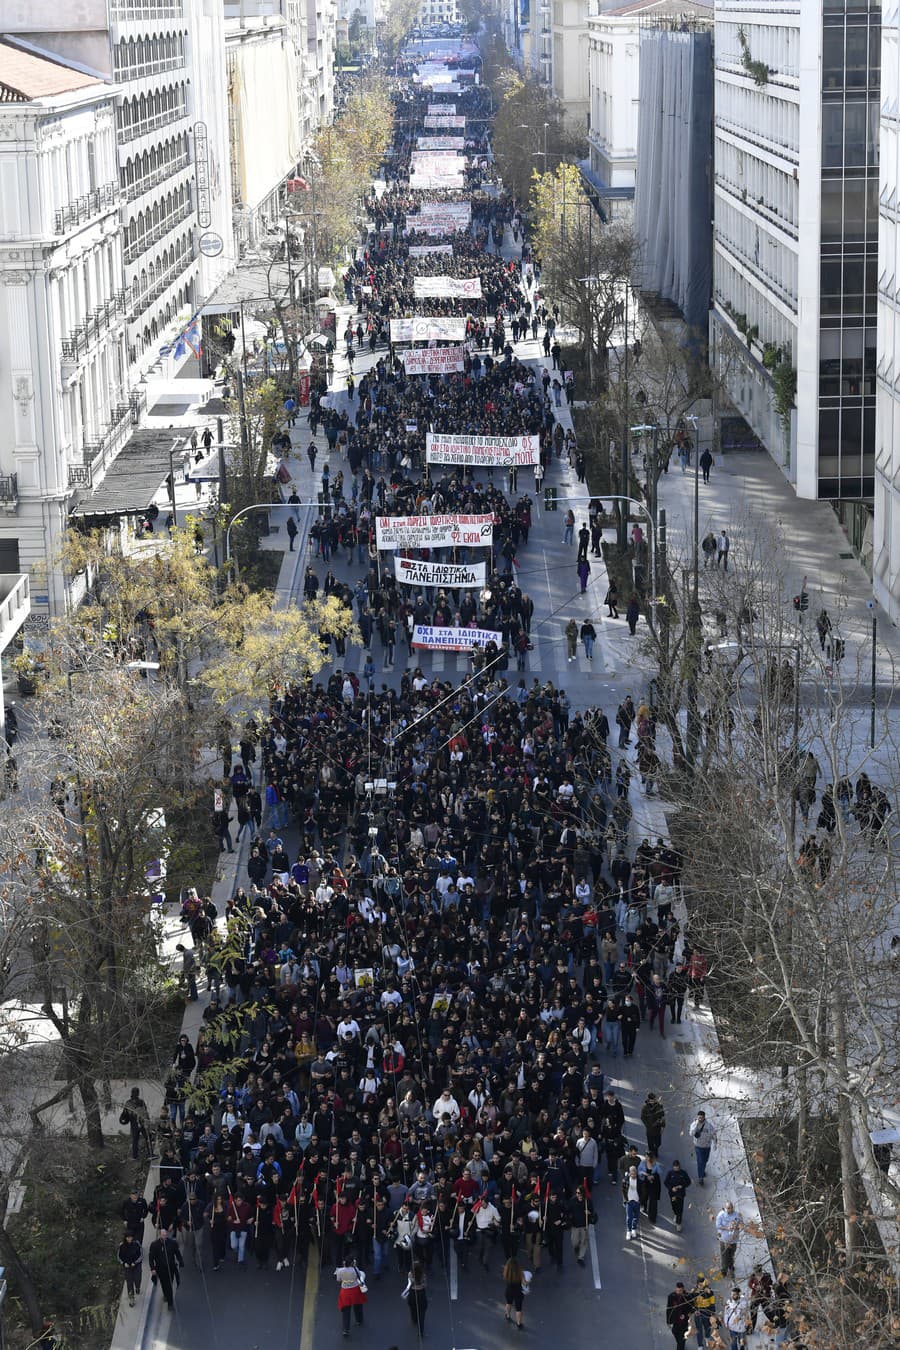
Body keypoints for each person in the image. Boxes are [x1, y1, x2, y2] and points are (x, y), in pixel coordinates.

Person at [148, 1226, 183, 1311]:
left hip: (171, 1267)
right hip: (160, 1268)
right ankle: (168, 1298)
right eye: (162, 1235)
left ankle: (169, 1300)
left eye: (165, 1235)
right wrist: (152, 1269)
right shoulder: (154, 1245)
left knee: (169, 1284)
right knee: (164, 1284)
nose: (164, 1236)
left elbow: (177, 1253)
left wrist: (181, 1261)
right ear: (160, 1235)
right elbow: (151, 1258)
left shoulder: (172, 1243)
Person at [334, 1256, 367, 1337]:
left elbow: (338, 1280)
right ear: (352, 1262)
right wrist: (355, 1266)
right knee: (358, 1305)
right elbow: (359, 1276)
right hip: (355, 1289)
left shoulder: (340, 1271)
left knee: (346, 1310)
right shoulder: (355, 1269)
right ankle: (359, 1320)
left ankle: (346, 1329)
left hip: (345, 1291)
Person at [120, 1088, 154, 1160]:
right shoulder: (141, 1102)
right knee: (147, 1138)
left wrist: (123, 1121)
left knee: (135, 1140)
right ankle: (150, 1154)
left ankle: (135, 1156)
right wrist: (147, 1123)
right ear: (138, 1093)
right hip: (142, 1123)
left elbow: (124, 1114)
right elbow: (145, 1113)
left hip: (134, 1124)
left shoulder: (128, 1103)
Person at [715, 1202, 744, 1277]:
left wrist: (737, 1227)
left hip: (733, 1240)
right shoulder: (721, 1215)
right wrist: (727, 1228)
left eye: (731, 1208)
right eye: (728, 1208)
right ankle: (724, 1270)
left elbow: (742, 1224)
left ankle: (731, 1266)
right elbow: (718, 1226)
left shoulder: (737, 1215)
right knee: (724, 1255)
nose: (730, 1209)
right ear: (725, 1208)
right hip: (724, 1240)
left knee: (732, 1254)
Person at [689, 1110, 716, 1185]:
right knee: (700, 1161)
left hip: (707, 1146)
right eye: (699, 1117)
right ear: (697, 1117)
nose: (700, 1119)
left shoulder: (708, 1125)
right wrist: (696, 1126)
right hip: (698, 1146)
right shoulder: (694, 1124)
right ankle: (700, 1177)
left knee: (705, 1161)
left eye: (701, 1117)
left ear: (704, 1117)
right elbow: (691, 1133)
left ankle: (702, 1171)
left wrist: (715, 1143)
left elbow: (713, 1134)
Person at [663, 1160, 691, 1232]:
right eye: (675, 1168)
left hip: (680, 1194)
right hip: (673, 1194)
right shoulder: (670, 1173)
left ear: (679, 1166)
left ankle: (678, 1224)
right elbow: (666, 1182)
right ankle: (675, 1214)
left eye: (678, 1167)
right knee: (674, 1206)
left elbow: (688, 1182)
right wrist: (671, 1188)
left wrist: (682, 1186)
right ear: (673, 1167)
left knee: (680, 1209)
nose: (676, 1169)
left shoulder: (683, 1173)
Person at [117, 1229, 143, 1307]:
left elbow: (141, 1255)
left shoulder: (137, 1244)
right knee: (129, 1282)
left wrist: (135, 1262)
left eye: (130, 1237)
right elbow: (119, 1257)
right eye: (127, 1238)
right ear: (125, 1238)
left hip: (136, 1265)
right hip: (127, 1267)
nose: (129, 1239)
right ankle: (131, 1298)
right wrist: (124, 1263)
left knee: (137, 1278)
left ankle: (137, 1287)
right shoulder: (122, 1246)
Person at [691, 1273, 717, 1347]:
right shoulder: (694, 1292)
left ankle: (707, 1338)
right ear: (697, 1284)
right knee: (699, 1330)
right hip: (698, 1313)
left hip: (707, 1312)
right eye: (699, 1285)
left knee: (707, 1328)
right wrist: (694, 1310)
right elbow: (691, 1304)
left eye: (702, 1285)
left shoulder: (709, 1292)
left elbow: (712, 1303)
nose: (701, 1286)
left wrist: (713, 1314)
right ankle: (700, 1345)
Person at [666, 1281, 693, 1350]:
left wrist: (685, 1314)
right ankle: (680, 1345)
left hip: (684, 1321)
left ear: (683, 1289)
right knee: (675, 1333)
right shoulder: (671, 1296)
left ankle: (680, 1347)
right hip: (675, 1320)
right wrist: (668, 1321)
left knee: (682, 1339)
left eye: (680, 1290)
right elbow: (669, 1309)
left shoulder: (688, 1296)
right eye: (677, 1290)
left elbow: (692, 1307)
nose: (679, 1292)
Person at [502, 1256, 527, 1329]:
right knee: (518, 1309)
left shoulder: (506, 1272)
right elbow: (524, 1283)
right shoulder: (520, 1273)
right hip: (518, 1292)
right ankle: (519, 1323)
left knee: (508, 1303)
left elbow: (505, 1278)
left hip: (509, 1291)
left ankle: (507, 1315)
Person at [723, 1285, 751, 1350]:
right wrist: (726, 1323)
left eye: (734, 1294)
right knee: (733, 1344)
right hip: (732, 1327)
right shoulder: (728, 1302)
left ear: (738, 1295)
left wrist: (747, 1324)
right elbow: (726, 1314)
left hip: (741, 1327)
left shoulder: (743, 1302)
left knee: (742, 1344)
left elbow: (745, 1313)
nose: (732, 1296)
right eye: (732, 1294)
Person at [404, 1260, 428, 1336]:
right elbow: (425, 1285)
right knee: (422, 1312)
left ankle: (414, 1319)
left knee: (413, 1307)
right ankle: (421, 1331)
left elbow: (409, 1284)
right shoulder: (423, 1275)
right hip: (421, 1294)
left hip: (412, 1293)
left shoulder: (410, 1274)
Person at [641, 1091, 666, 1156]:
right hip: (650, 1129)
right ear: (649, 1100)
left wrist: (663, 1126)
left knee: (658, 1143)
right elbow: (642, 1117)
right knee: (650, 1144)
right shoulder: (645, 1107)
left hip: (657, 1128)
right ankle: (651, 1155)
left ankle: (655, 1150)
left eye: (654, 1100)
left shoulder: (659, 1106)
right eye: (651, 1100)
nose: (653, 1101)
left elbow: (662, 1116)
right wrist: (647, 1125)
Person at [622, 1164, 641, 1239]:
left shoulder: (639, 1181)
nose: (633, 1175)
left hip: (637, 1201)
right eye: (632, 1174)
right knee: (629, 1217)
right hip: (629, 1202)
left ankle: (634, 1229)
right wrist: (625, 1200)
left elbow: (642, 1191)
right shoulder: (625, 1180)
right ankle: (628, 1231)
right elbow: (623, 1190)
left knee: (636, 1217)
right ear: (629, 1173)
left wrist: (640, 1200)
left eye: (635, 1174)